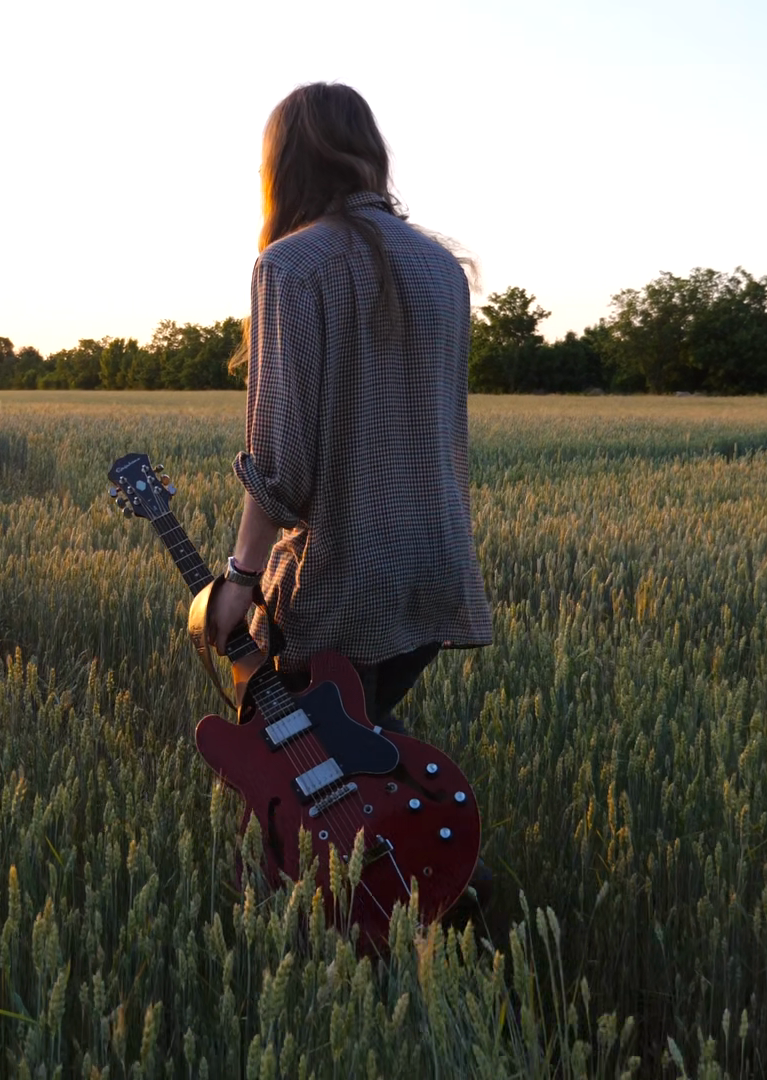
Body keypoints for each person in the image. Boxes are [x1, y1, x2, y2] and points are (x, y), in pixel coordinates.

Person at [203, 81, 492, 737]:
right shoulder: (442, 268)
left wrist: (241, 580)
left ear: (283, 164)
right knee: (358, 745)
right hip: (436, 571)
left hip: (341, 585)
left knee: (303, 769)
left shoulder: (290, 265)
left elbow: (280, 464)